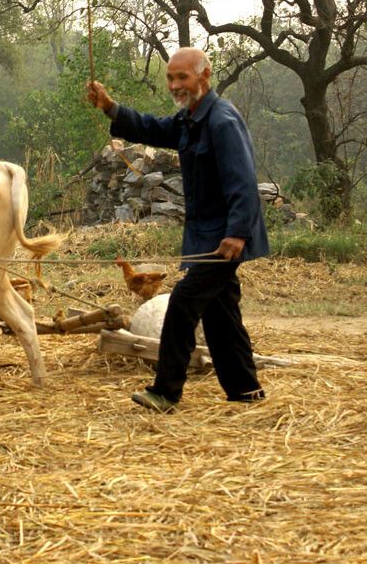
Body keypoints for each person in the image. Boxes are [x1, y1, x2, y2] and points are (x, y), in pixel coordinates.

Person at [86, 47, 268, 412]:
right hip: (206, 237)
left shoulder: (222, 122)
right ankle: (246, 391)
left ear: (205, 76)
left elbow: (243, 183)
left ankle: (165, 392)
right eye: (171, 78)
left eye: (182, 77)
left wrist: (237, 233)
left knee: (183, 305)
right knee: (221, 317)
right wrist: (110, 107)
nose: (175, 85)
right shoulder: (190, 118)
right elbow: (152, 128)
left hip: (223, 240)